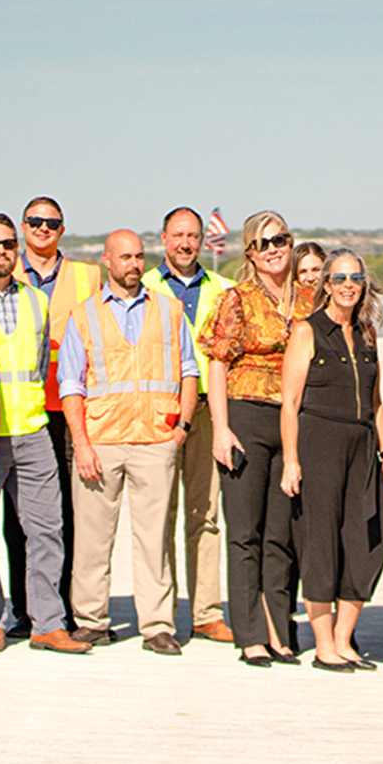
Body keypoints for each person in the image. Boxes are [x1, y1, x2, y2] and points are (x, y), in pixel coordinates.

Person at [60, 230, 200, 656]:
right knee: (91, 538)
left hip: (156, 440)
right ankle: (90, 620)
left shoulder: (170, 310)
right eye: (125, 257)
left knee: (154, 538)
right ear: (106, 260)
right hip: (101, 442)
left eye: (139, 257)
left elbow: (188, 371)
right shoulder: (83, 315)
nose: (134, 264)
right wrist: (81, 444)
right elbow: (71, 385)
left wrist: (183, 428)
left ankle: (157, 625)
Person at [0, 213, 88, 656]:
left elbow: (37, 364)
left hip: (32, 430)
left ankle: (47, 624)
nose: (1, 252)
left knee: (47, 531)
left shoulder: (37, 300)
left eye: (7, 244)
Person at [198, 210, 316, 666]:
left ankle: (280, 629)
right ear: (249, 252)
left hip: (293, 422)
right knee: (245, 531)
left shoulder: (310, 299)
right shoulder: (237, 299)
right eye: (263, 243)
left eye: (280, 239)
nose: (273, 249)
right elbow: (217, 363)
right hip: (246, 418)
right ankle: (249, 633)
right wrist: (221, 429)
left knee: (281, 534)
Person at [280, 249, 383, 673]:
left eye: (356, 278)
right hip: (319, 441)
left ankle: (345, 640)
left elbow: (377, 402)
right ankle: (323, 644)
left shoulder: (366, 332)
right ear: (325, 284)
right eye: (340, 277)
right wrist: (291, 460)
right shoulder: (308, 331)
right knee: (321, 542)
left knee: (366, 543)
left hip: (362, 444)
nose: (348, 285)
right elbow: (289, 403)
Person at [9, 196, 104, 638]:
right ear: (22, 227)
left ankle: (64, 609)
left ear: (62, 229)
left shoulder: (87, 275)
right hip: (20, 408)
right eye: (35, 222)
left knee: (68, 510)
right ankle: (24, 611)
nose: (43, 228)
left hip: (71, 406)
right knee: (18, 518)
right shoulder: (3, 270)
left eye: (51, 222)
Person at [142, 207, 237, 643]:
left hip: (207, 410)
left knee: (205, 514)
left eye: (193, 236)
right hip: (159, 414)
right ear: (163, 238)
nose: (185, 243)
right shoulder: (144, 287)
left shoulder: (223, 290)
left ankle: (206, 611)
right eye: (178, 235)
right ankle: (160, 615)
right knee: (158, 516)